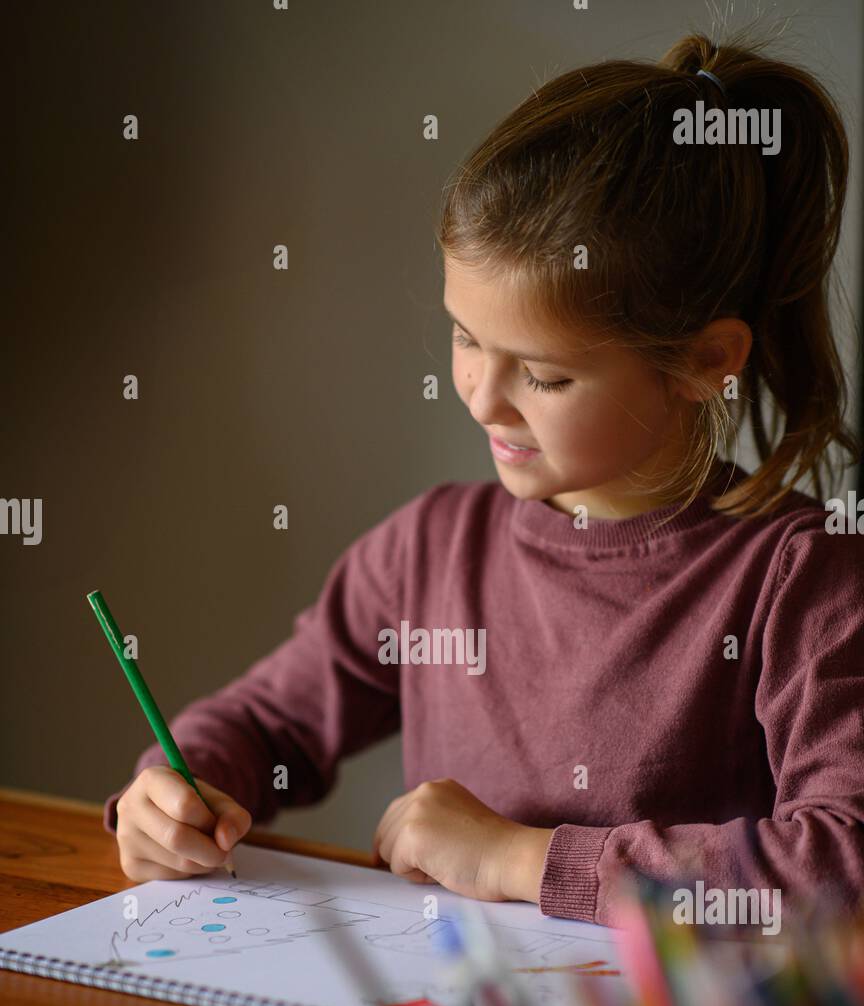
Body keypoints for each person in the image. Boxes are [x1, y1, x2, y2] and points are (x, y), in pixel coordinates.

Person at [104, 32, 864, 928]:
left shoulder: (801, 576)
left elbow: (840, 867)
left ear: (705, 362)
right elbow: (270, 724)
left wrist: (521, 857)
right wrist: (173, 786)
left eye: (543, 375)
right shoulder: (429, 552)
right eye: (466, 339)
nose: (482, 400)